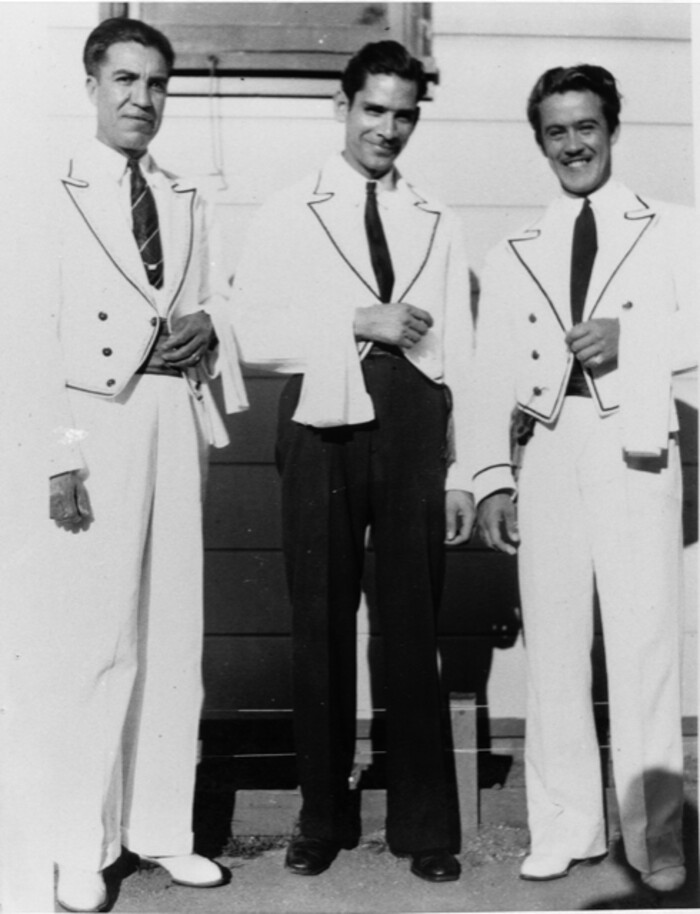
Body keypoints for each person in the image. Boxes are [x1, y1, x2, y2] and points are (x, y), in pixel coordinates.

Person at [231, 41, 475, 882]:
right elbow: (252, 331)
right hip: (318, 421)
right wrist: (355, 319)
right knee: (320, 620)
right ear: (344, 106)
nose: (389, 128)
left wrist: (464, 466)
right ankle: (321, 816)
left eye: (405, 113)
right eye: (374, 109)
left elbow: (459, 350)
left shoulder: (437, 216)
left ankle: (426, 825)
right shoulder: (289, 208)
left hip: (409, 421)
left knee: (412, 621)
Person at [472, 64, 698, 894]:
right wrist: (493, 477)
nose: (574, 143)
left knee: (642, 642)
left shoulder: (672, 227)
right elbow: (486, 370)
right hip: (552, 447)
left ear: (613, 129)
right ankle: (563, 825)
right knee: (557, 645)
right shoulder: (515, 249)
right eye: (558, 130)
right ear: (541, 141)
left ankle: (656, 840)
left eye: (587, 126)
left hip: (634, 444)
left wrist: (629, 340)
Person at [47, 17, 247, 912]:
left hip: (174, 414)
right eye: (125, 80)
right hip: (95, 423)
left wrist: (214, 328)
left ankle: (163, 827)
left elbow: (210, 302)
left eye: (157, 84)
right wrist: (58, 456)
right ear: (92, 84)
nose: (142, 99)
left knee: (174, 630)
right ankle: (76, 845)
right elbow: (29, 332)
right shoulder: (50, 189)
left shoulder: (184, 193)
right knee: (98, 637)